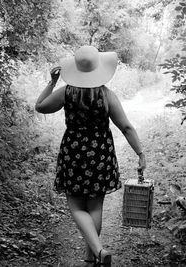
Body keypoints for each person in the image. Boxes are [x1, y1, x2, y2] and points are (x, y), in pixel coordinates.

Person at [35, 45, 146, 267]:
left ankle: (96, 252)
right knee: (95, 207)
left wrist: (52, 82)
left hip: (73, 153)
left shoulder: (66, 93)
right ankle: (94, 254)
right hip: (101, 154)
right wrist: (140, 154)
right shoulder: (106, 95)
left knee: (76, 207)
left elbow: (40, 106)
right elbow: (126, 127)